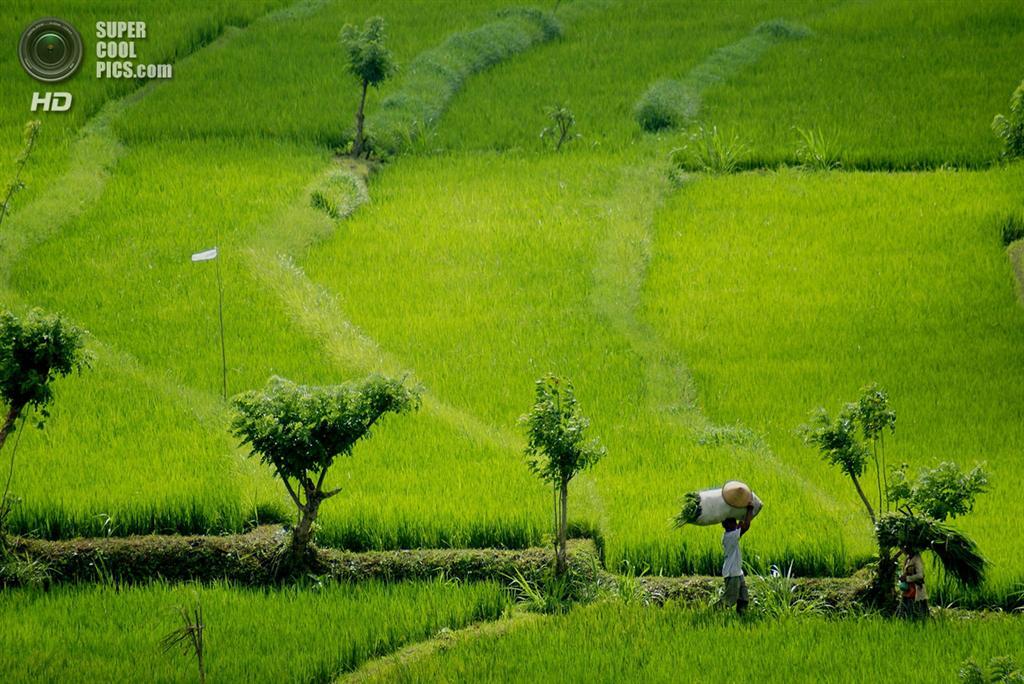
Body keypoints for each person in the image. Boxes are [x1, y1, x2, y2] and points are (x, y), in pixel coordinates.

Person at [721, 504, 754, 614]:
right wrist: (750, 510)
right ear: (730, 525)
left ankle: (742, 616)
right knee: (730, 599)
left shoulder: (730, 534)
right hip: (731, 573)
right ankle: (712, 612)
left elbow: (742, 526)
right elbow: (746, 526)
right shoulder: (730, 536)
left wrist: (742, 519)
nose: (736, 524)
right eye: (734, 523)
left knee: (743, 598)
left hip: (737, 572)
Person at [899, 545, 929, 618]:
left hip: (916, 588)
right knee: (906, 608)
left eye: (905, 548)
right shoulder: (908, 558)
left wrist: (907, 578)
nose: (904, 550)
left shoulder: (917, 559)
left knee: (917, 610)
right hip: (908, 588)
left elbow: (920, 575)